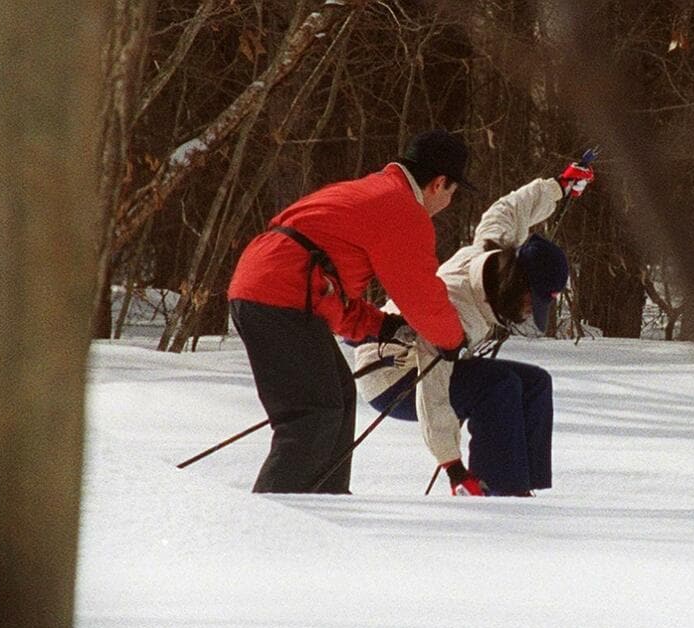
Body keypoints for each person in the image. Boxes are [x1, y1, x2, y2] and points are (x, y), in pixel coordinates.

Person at [228, 129, 473, 494]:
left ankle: (326, 504)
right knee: (313, 413)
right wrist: (452, 339)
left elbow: (325, 285)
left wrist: (382, 326)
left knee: (338, 399)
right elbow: (422, 295)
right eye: (453, 192)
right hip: (280, 295)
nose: (449, 202)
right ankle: (276, 519)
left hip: (272, 286)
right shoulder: (402, 209)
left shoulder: (372, 192)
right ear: (439, 183)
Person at [354, 160, 594, 496]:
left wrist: (558, 186)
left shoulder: (495, 251)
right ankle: (498, 489)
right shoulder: (454, 310)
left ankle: (523, 485)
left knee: (535, 382)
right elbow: (432, 391)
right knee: (498, 385)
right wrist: (453, 468)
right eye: (531, 300)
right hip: (390, 376)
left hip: (429, 361)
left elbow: (510, 208)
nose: (529, 310)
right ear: (516, 283)